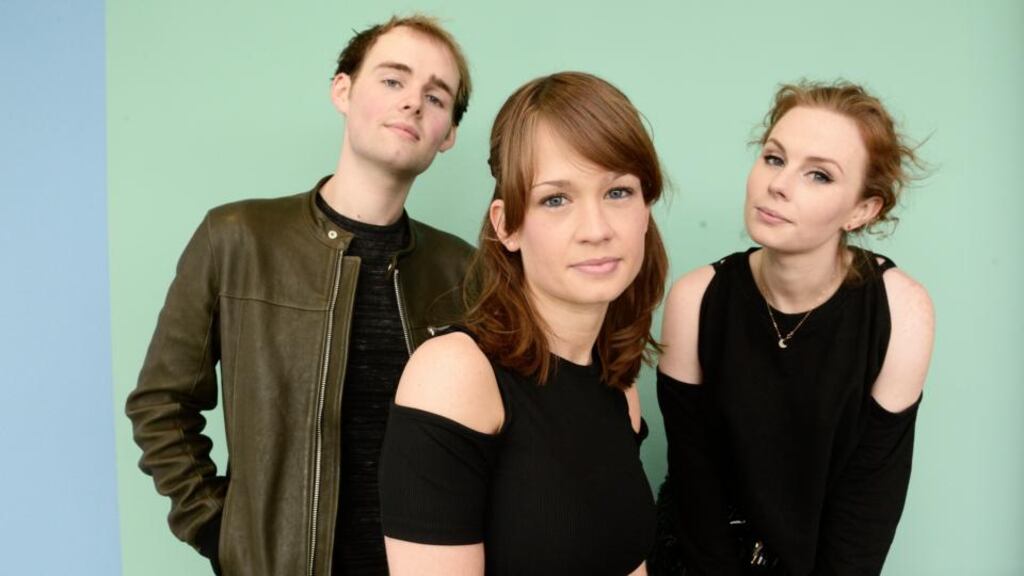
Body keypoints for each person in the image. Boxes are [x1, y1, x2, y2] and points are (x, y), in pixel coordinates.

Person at [125, 15, 474, 576]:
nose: (413, 103)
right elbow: (161, 403)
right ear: (343, 90)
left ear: (448, 133)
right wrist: (218, 530)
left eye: (436, 97)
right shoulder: (235, 237)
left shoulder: (464, 269)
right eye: (393, 80)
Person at [377, 71, 668, 576]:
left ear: (646, 209)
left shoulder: (618, 386)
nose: (596, 230)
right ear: (506, 225)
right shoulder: (454, 375)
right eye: (556, 199)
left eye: (618, 192)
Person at [651, 81, 935, 575]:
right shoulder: (695, 299)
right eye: (774, 158)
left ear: (862, 209)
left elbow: (867, 507)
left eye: (819, 175)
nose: (777, 185)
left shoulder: (901, 311)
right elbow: (696, 489)